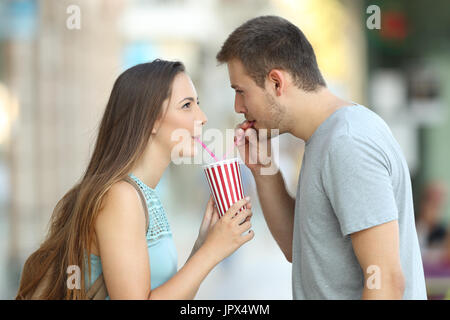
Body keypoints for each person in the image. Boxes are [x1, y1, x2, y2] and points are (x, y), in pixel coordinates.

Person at [216, 15, 427, 299]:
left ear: (276, 83)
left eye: (241, 91)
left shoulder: (348, 142)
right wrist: (263, 168)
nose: (238, 106)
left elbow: (386, 281)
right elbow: (300, 248)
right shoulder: (326, 138)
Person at [16, 59, 254, 300]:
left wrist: (202, 246)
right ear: (150, 120)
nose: (202, 117)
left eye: (198, 104)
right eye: (186, 106)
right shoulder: (120, 196)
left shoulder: (143, 192)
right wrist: (211, 252)